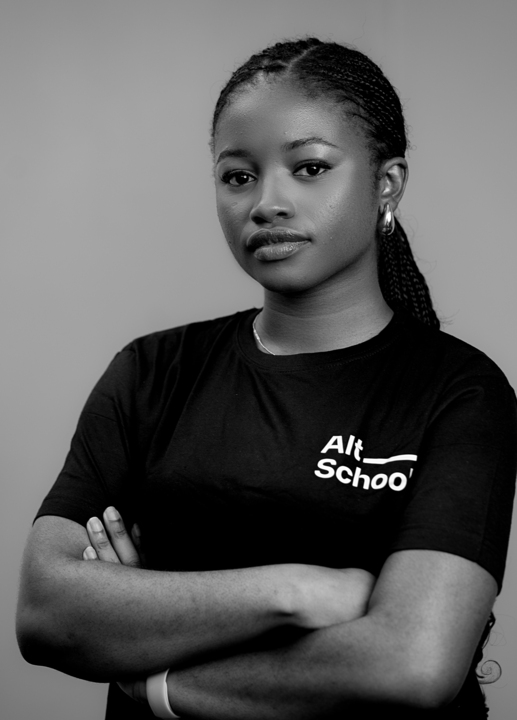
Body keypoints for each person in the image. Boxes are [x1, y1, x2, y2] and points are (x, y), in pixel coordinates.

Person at [16, 37, 517, 719]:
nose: (267, 203)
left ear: (387, 184)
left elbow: (411, 662)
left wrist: (154, 672)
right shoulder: (152, 372)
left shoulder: (460, 392)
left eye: (309, 168)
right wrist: (298, 593)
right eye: (238, 176)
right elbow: (46, 611)